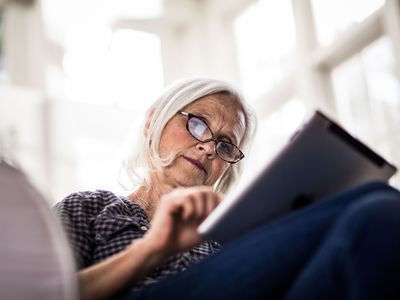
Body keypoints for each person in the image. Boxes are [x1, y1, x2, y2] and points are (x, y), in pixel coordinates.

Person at [54, 78, 400, 300]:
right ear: (152, 123)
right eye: (197, 123)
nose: (207, 146)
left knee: (376, 221)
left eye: (225, 144)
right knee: (374, 200)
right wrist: (151, 249)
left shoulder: (223, 240)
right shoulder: (90, 207)